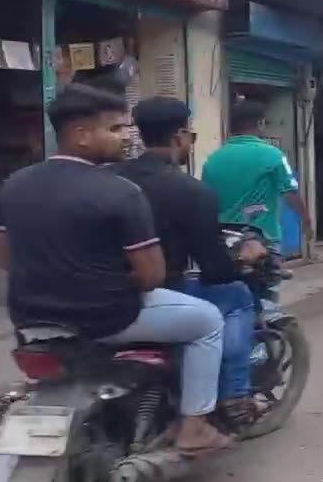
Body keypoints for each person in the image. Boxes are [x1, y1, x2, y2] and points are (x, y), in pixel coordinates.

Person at [0, 85, 232, 453]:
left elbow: (4, 257)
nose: (126, 138)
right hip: (106, 318)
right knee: (208, 320)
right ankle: (195, 426)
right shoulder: (120, 192)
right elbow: (152, 276)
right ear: (81, 135)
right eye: (116, 129)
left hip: (30, 318)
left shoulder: (14, 184)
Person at [112, 97, 269, 429]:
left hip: (103, 290)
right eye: (192, 136)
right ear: (179, 136)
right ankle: (235, 396)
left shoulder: (110, 179)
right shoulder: (191, 191)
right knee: (237, 295)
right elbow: (215, 270)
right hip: (156, 293)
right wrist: (242, 258)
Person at [202, 100, 312, 248]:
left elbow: (206, 202)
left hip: (226, 241)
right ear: (260, 123)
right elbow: (290, 193)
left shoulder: (212, 160)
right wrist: (306, 221)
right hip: (262, 241)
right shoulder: (273, 155)